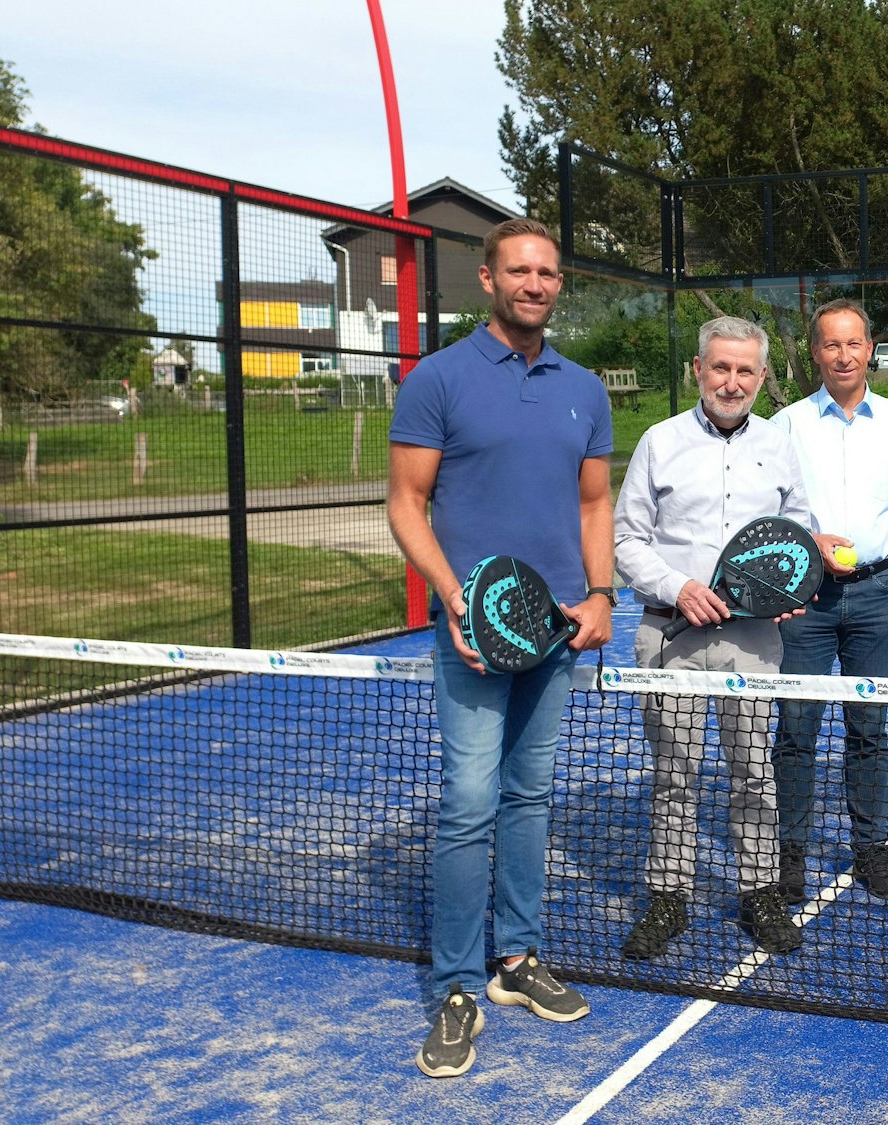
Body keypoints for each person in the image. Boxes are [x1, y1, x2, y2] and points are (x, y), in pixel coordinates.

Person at [387, 218, 616, 1079]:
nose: (534, 283)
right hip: (475, 634)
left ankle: (517, 959)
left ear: (559, 284)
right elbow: (407, 502)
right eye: (518, 269)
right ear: (486, 278)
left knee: (528, 796)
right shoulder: (436, 378)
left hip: (557, 631)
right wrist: (457, 598)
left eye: (547, 272)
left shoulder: (583, 388)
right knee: (468, 802)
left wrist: (600, 596)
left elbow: (596, 505)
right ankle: (455, 986)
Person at [613, 315, 811, 961]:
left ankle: (759, 891)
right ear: (698, 369)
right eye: (720, 368)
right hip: (670, 635)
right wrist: (679, 587)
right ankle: (668, 896)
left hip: (753, 640)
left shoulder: (780, 445)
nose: (732, 381)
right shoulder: (658, 441)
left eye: (745, 370)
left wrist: (788, 590)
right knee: (675, 773)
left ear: (759, 376)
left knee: (755, 772)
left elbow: (798, 530)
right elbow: (625, 540)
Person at [769, 298, 888, 902]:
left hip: (877, 592)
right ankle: (788, 852)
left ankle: (870, 848)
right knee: (795, 727)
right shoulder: (785, 425)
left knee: (869, 728)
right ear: (815, 352)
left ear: (871, 349)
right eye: (829, 344)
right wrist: (808, 541)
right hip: (804, 597)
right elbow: (766, 509)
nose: (843, 355)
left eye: (853, 344)